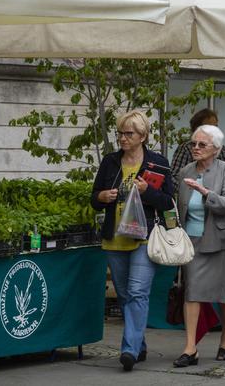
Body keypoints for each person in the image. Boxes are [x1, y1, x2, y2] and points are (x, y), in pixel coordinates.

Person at [91, 109, 174, 372]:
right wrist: (102, 197)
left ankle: (128, 350)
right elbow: (94, 198)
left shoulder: (157, 163)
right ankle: (139, 343)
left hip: (144, 237)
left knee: (138, 292)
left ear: (143, 136)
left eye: (129, 134)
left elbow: (168, 202)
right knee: (125, 295)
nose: (122, 139)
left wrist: (147, 191)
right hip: (115, 238)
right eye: (120, 133)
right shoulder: (110, 162)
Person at [173, 125, 225, 367]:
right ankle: (191, 347)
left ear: (216, 149)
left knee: (224, 295)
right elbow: (179, 207)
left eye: (202, 144)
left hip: (222, 242)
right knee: (193, 292)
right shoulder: (184, 172)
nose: (196, 148)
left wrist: (205, 193)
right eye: (193, 144)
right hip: (192, 241)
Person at [171, 108, 225, 189]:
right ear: (198, 129)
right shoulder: (186, 148)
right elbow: (174, 178)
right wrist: (194, 188)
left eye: (216, 126)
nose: (215, 130)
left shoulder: (220, 149)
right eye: (211, 127)